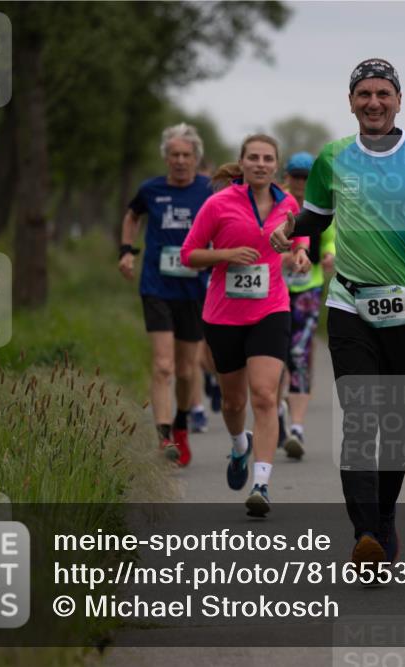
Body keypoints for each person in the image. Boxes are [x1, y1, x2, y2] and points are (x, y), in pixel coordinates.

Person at [271, 59, 405, 563]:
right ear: (350, 102)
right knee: (362, 416)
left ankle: (384, 518)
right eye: (363, 93)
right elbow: (316, 218)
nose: (373, 102)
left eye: (382, 93)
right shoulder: (333, 157)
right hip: (351, 305)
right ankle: (364, 533)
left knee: (397, 423)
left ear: (398, 99)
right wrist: (290, 232)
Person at [181, 135, 311, 517]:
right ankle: (240, 445)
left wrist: (301, 253)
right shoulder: (218, 204)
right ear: (242, 163)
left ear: (276, 165)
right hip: (223, 315)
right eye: (252, 157)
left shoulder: (288, 203)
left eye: (267, 158)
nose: (260, 163)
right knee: (234, 401)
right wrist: (226, 255)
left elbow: (299, 234)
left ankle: (261, 484)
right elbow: (190, 254)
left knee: (265, 396)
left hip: (271, 310)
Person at [119, 123, 214, 468]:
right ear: (165, 157)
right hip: (157, 286)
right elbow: (132, 216)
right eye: (174, 155)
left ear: (196, 158)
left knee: (188, 370)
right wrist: (127, 250)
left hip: (195, 288)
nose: (180, 161)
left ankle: (182, 423)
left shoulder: (209, 189)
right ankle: (162, 439)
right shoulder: (151, 190)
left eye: (186, 155)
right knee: (163, 366)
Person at [277, 152, 336, 460]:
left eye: (306, 177)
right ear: (287, 176)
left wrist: (328, 254)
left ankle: (297, 428)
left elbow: (328, 238)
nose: (301, 182)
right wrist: (280, 259)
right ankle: (275, 413)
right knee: (274, 358)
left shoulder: (320, 205)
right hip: (273, 290)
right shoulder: (276, 203)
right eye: (296, 176)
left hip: (308, 289)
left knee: (299, 354)